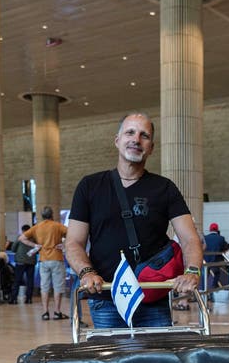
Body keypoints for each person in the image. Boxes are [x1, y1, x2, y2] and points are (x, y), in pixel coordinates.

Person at [65, 112, 203, 328]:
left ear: (151, 147)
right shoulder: (90, 186)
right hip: (106, 296)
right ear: (117, 140)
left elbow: (189, 238)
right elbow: (73, 241)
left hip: (152, 297)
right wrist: (86, 272)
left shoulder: (164, 188)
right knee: (112, 361)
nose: (136, 140)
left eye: (144, 135)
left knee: (156, 361)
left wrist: (192, 271)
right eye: (130, 132)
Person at [20, 207, 68, 319]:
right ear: (52, 215)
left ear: (42, 216)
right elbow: (73, 233)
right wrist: (64, 245)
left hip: (43, 259)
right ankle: (57, 312)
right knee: (58, 286)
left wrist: (35, 246)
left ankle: (45, 312)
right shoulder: (57, 226)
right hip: (56, 258)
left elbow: (22, 238)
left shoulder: (37, 227)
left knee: (44, 287)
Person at [9, 224, 37, 304]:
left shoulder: (20, 238)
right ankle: (28, 299)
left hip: (20, 261)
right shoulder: (34, 238)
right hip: (31, 262)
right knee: (30, 280)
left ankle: (14, 299)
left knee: (17, 280)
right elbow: (38, 248)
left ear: (22, 230)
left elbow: (13, 249)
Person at [203, 222, 229, 294]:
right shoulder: (221, 238)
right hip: (216, 260)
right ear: (217, 229)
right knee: (217, 273)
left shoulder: (205, 238)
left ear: (210, 229)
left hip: (206, 260)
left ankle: (205, 289)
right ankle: (214, 287)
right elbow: (225, 248)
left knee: (206, 275)